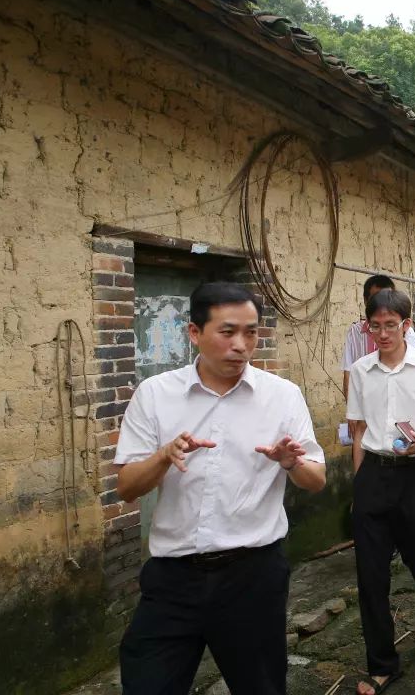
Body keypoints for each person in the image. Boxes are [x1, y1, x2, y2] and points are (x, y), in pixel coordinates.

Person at [114, 282, 327, 695]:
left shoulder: (281, 396)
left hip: (253, 577)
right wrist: (162, 457)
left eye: (250, 332)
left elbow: (316, 479)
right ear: (194, 333)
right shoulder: (155, 395)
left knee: (261, 686)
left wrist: (292, 462)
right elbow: (126, 487)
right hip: (173, 578)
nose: (241, 345)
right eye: (228, 332)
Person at [347, 289, 415, 695]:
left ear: (408, 325)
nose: (384, 333)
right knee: (370, 577)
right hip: (374, 474)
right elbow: (357, 431)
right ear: (367, 327)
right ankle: (383, 663)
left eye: (392, 325)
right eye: (376, 326)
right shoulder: (360, 370)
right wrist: (359, 486)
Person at [342, 275, 415, 398]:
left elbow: (412, 373)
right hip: (366, 404)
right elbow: (348, 374)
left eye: (388, 297)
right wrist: (353, 411)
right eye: (376, 298)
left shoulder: (406, 332)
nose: (382, 303)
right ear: (366, 301)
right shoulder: (355, 332)